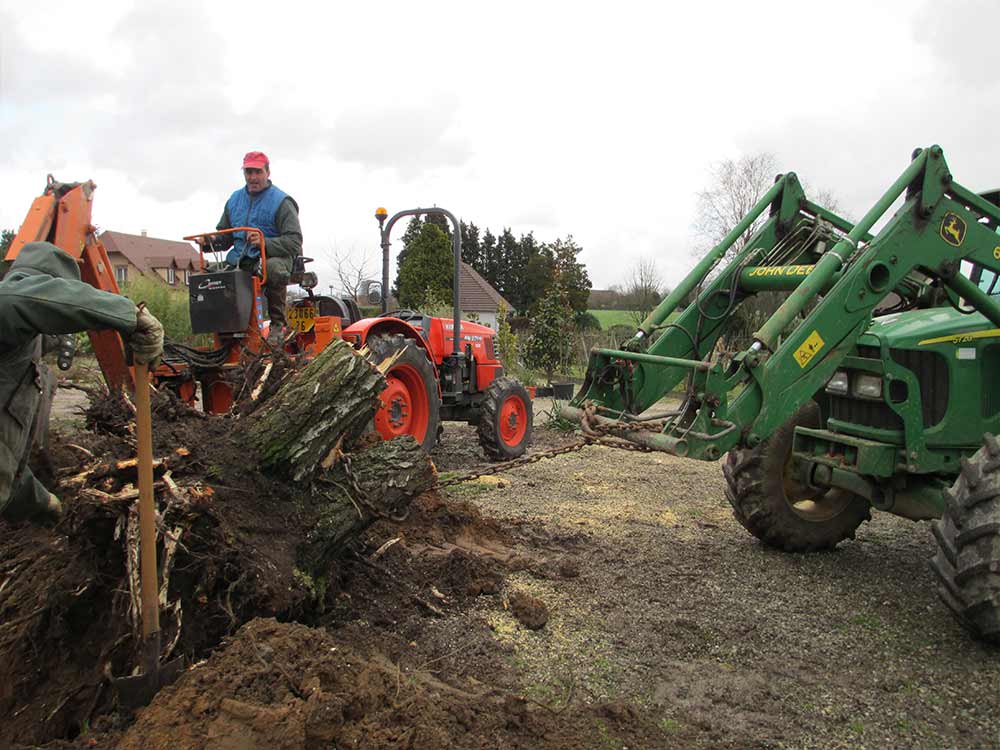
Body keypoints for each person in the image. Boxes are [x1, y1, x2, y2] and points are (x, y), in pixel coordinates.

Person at [0, 242, 164, 524]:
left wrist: (40, 502)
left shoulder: (19, 347)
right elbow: (16, 299)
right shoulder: (8, 308)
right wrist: (127, 315)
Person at [214, 151, 303, 344]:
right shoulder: (234, 200)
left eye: (257, 172)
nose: (253, 177)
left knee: (272, 269)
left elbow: (294, 241)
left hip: (272, 257)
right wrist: (210, 242)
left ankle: (278, 325)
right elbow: (224, 236)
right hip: (239, 259)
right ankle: (226, 329)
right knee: (209, 276)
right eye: (248, 172)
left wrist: (265, 243)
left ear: (267, 172)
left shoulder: (282, 202)